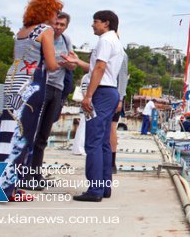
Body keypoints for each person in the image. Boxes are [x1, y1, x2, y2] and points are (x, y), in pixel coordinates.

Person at [0, 0, 63, 201]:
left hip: (13, 81)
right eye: (55, 12)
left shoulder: (22, 31)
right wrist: (66, 63)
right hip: (31, 84)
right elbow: (50, 64)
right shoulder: (46, 30)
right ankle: (7, 190)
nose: (57, 17)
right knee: (23, 135)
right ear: (46, 12)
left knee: (7, 134)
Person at [65, 10, 125, 202]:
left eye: (95, 21)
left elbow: (99, 68)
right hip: (110, 91)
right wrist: (78, 61)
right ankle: (104, 187)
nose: (92, 25)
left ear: (106, 23)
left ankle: (95, 189)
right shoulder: (115, 41)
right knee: (104, 142)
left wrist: (88, 95)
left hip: (101, 93)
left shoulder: (105, 41)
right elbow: (99, 69)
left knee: (93, 141)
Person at [27, 11, 75, 190]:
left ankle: (36, 173)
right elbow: (40, 62)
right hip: (42, 85)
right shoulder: (43, 35)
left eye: (62, 25)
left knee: (43, 135)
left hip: (58, 87)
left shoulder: (66, 40)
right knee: (33, 130)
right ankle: (25, 173)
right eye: (56, 23)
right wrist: (56, 62)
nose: (58, 27)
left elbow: (72, 63)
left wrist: (68, 63)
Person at [110, 53, 129, 174]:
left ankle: (111, 162)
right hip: (104, 94)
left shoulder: (120, 53)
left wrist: (120, 99)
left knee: (111, 127)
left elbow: (122, 78)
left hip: (113, 95)